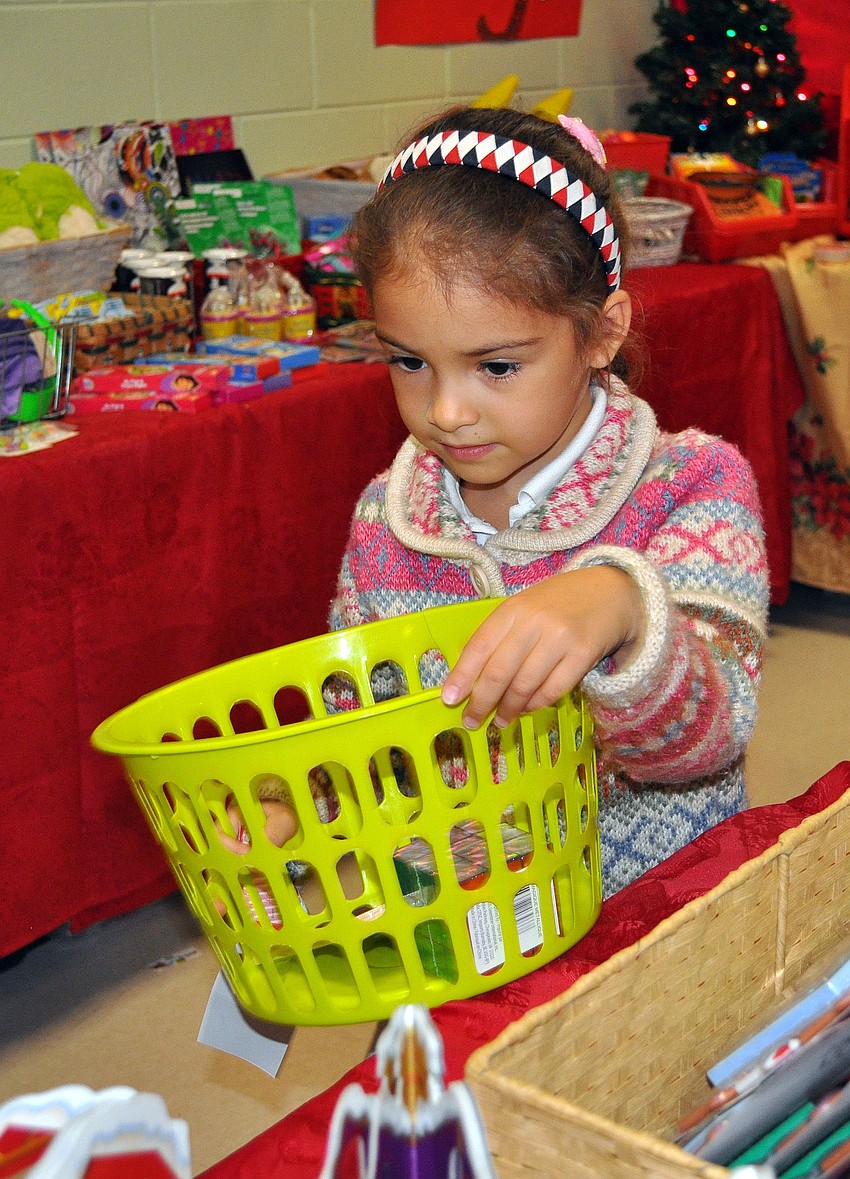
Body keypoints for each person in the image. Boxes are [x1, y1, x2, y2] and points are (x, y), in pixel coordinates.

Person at [322, 104, 770, 897]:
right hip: (461, 918)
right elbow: (357, 722)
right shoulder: (387, 513)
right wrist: (310, 807)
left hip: (647, 921)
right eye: (408, 361)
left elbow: (708, 736)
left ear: (600, 334)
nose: (447, 410)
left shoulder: (692, 485)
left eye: (495, 366)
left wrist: (626, 606)